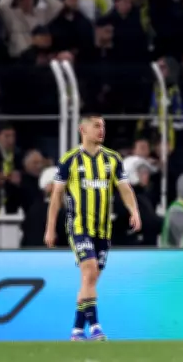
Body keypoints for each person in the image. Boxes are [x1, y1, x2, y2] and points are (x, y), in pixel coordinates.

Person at [43, 115, 143, 341]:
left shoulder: (112, 159)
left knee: (90, 279)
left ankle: (77, 329)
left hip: (103, 229)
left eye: (103, 126)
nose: (101, 130)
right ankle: (95, 326)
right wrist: (50, 228)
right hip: (79, 227)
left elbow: (125, 188)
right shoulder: (70, 159)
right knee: (89, 271)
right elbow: (56, 195)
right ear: (83, 129)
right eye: (97, 126)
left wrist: (134, 211)